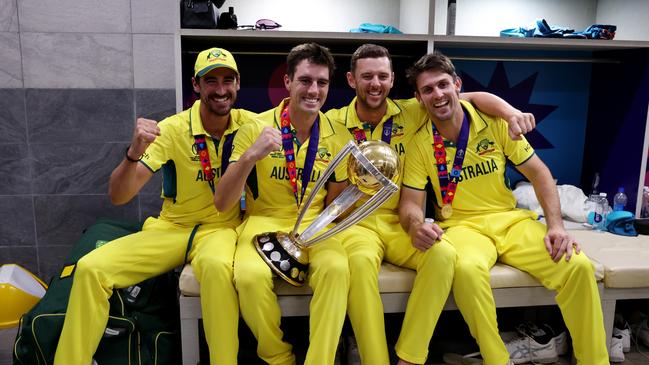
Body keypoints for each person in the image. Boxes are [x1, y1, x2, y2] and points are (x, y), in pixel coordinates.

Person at [325, 43, 537, 365]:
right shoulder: (333, 122)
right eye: (367, 76)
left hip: (398, 220)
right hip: (359, 222)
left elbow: (472, 98)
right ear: (352, 80)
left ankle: (409, 357)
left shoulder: (413, 109)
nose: (375, 83)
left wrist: (509, 113)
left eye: (382, 76)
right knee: (361, 265)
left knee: (443, 253)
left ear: (392, 79)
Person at [399, 52, 608, 365]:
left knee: (577, 266)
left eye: (443, 85)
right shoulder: (418, 143)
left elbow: (540, 174)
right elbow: (411, 205)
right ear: (419, 98)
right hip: (463, 228)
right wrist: (416, 226)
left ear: (457, 84)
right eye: (428, 90)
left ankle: (595, 360)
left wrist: (556, 226)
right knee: (467, 270)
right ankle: (497, 359)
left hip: (510, 221)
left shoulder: (496, 123)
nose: (438, 94)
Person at [54, 47, 255, 365]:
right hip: (171, 229)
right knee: (91, 269)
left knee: (217, 269)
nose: (220, 89)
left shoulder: (250, 125)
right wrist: (134, 151)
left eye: (227, 80)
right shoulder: (173, 129)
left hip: (220, 229)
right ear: (195, 85)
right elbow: (119, 196)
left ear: (238, 84)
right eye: (211, 80)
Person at [214, 42, 352, 365]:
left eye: (321, 82)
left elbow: (336, 205)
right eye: (305, 80)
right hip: (263, 220)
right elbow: (222, 202)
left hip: (315, 224)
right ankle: (279, 358)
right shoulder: (255, 128)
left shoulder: (339, 136)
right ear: (288, 82)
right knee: (248, 277)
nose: (313, 90)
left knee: (336, 268)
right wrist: (251, 155)